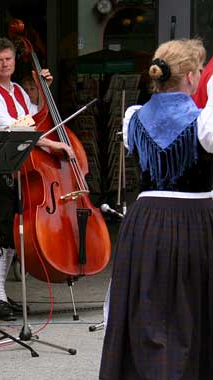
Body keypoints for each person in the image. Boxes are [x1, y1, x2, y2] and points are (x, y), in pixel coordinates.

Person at [100, 38, 213, 380]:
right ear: (193, 77)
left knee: (148, 313)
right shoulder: (204, 124)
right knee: (192, 312)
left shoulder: (133, 117)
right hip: (195, 223)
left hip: (145, 224)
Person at [0, 37, 73, 321]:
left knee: (11, 235)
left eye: (9, 59)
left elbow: (36, 119)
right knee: (2, 231)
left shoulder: (18, 90)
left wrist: (44, 92)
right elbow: (18, 130)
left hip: (20, 170)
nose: (5, 64)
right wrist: (53, 146)